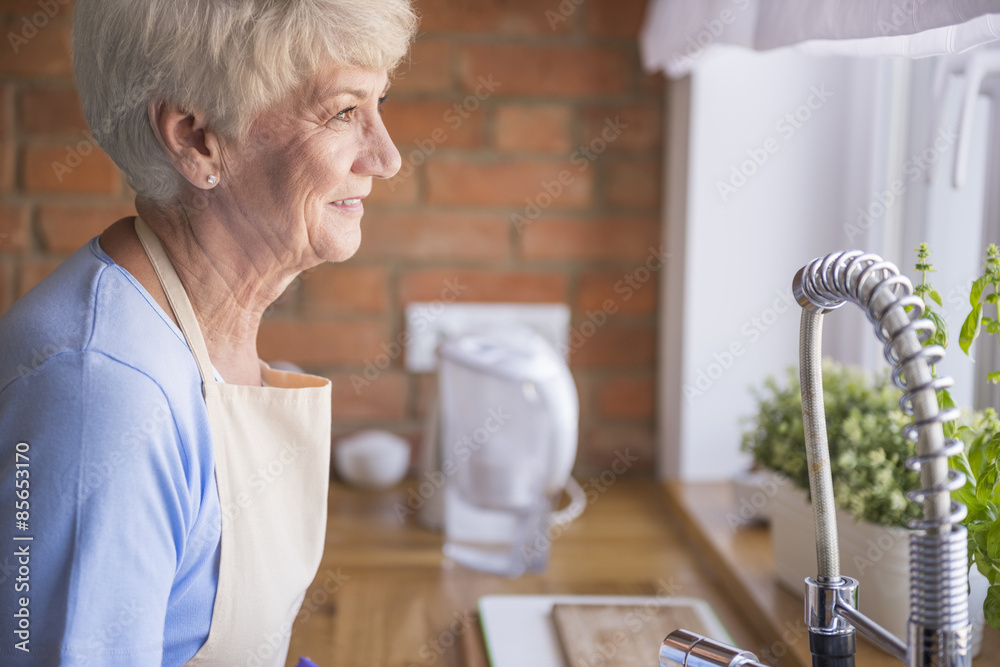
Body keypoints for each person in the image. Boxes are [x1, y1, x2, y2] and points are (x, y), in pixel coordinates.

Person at [0, 1, 416, 664]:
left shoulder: (196, 326)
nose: (386, 156)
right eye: (344, 112)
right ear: (197, 139)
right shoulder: (103, 396)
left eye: (380, 102)